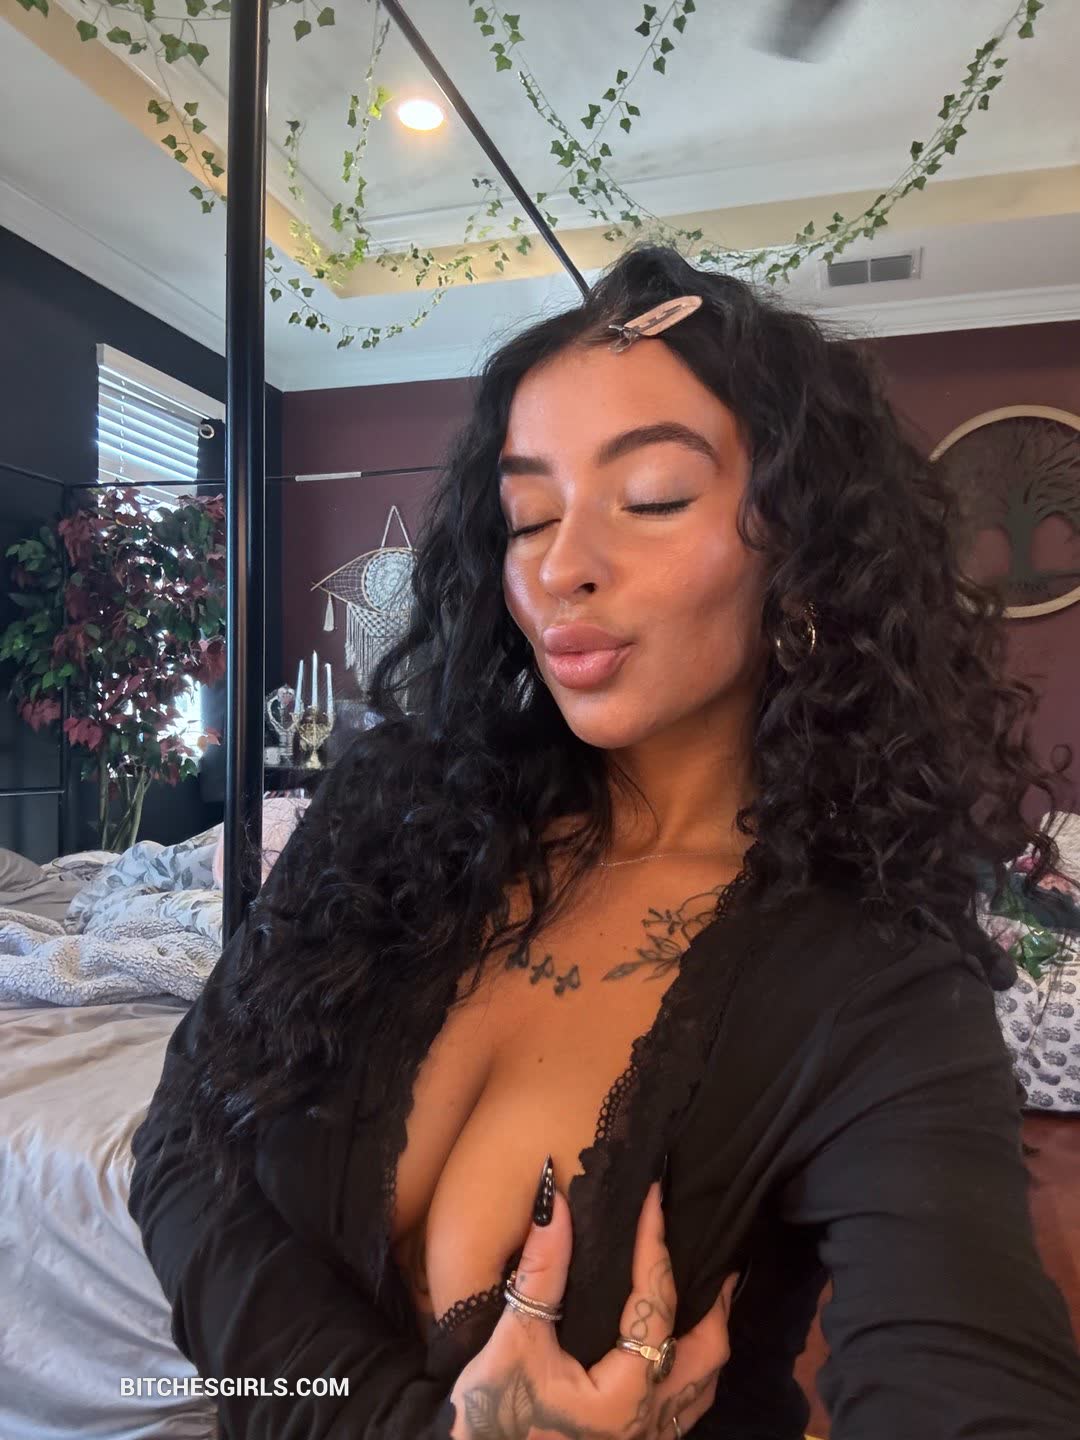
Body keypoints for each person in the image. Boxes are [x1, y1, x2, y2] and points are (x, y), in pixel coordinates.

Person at [128, 244, 1080, 1439]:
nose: (560, 567)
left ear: (802, 551)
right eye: (527, 515)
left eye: (655, 498)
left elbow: (969, 1379)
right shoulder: (394, 808)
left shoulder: (879, 981)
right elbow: (180, 1151)